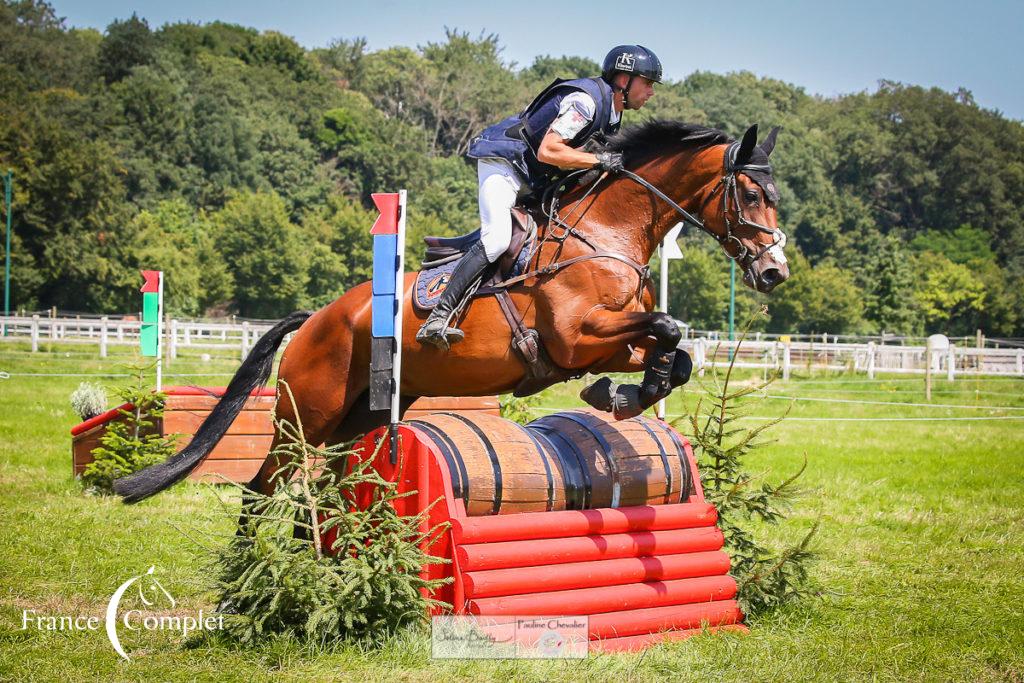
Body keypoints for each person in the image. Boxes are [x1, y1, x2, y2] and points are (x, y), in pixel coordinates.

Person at [416, 44, 663, 350]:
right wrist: (599, 161)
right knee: (496, 239)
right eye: (648, 83)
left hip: (534, 177)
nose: (651, 92)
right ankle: (438, 317)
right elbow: (550, 150)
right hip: (506, 164)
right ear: (624, 80)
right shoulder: (585, 103)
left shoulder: (612, 116)